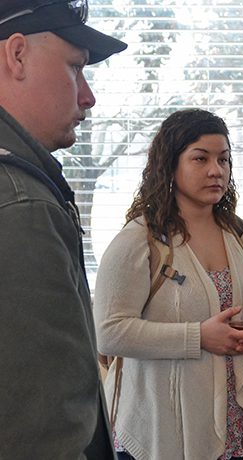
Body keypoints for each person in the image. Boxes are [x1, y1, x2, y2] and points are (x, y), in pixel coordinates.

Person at [93, 108, 243, 460]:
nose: (216, 170)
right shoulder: (138, 240)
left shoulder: (240, 234)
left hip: (236, 425)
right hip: (159, 432)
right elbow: (109, 333)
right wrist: (199, 337)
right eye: (200, 158)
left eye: (223, 159)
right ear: (170, 165)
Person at [0, 1, 127, 458]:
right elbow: (44, 435)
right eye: (75, 68)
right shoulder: (22, 204)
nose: (87, 96)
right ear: (17, 55)